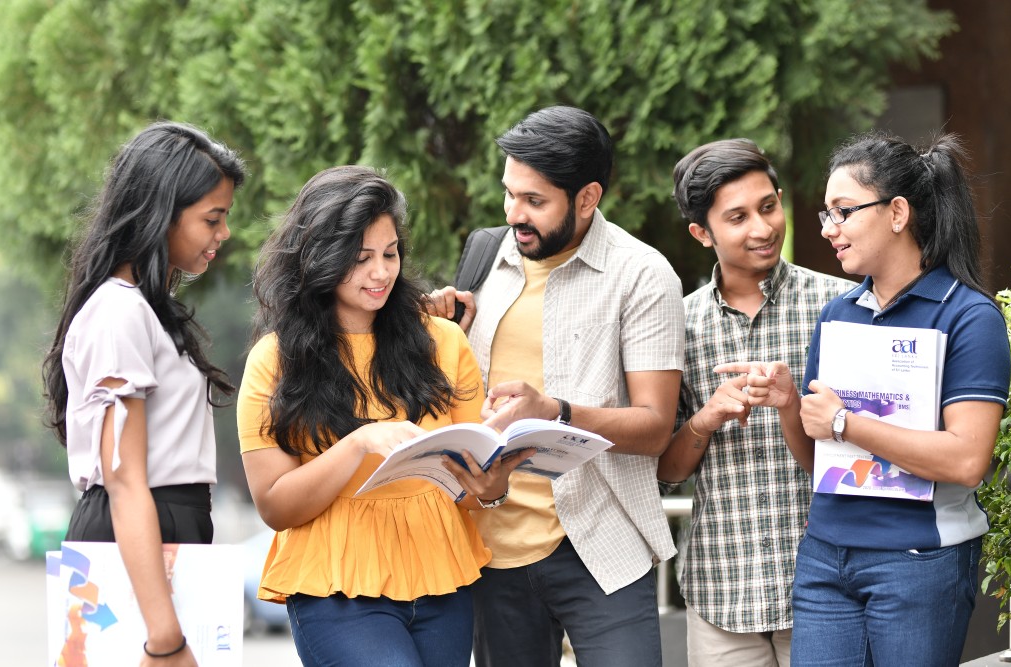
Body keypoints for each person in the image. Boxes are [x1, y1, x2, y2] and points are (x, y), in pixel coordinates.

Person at [733, 132, 1011, 665]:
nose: (829, 230)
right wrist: (791, 402)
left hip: (919, 561)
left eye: (843, 211)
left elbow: (968, 460)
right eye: (825, 215)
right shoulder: (839, 313)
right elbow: (821, 458)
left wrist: (847, 423)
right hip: (824, 558)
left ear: (898, 212)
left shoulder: (969, 317)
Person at [237, 165, 530, 667]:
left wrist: (491, 489)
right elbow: (274, 505)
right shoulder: (275, 359)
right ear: (319, 258)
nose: (381, 273)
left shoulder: (443, 342)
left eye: (390, 254)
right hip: (336, 587)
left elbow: (470, 478)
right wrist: (358, 443)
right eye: (360, 257)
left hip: (442, 579)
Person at [425, 105, 685, 667]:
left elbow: (655, 427)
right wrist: (440, 335)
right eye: (509, 194)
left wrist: (555, 411)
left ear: (588, 198)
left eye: (535, 201)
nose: (515, 214)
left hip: (599, 542)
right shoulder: (483, 257)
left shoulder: (642, 274)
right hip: (490, 544)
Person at [43, 120, 246, 665]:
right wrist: (165, 639)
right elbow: (125, 477)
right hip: (134, 531)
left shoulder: (143, 310)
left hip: (160, 531)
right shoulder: (120, 312)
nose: (223, 234)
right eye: (212, 218)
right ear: (162, 211)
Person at [657, 139, 854, 667]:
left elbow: (858, 456)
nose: (762, 228)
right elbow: (666, 472)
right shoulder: (677, 324)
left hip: (826, 584)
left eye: (769, 207)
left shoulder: (840, 307)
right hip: (722, 588)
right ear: (702, 233)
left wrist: (792, 406)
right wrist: (705, 418)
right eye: (738, 217)